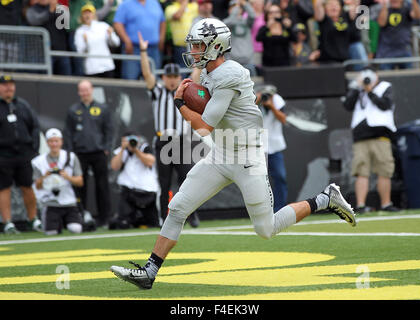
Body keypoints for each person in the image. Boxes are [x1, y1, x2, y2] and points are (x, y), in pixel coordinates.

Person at [110, 18, 356, 290]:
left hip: (248, 157)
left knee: (266, 229)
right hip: (221, 153)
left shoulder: (229, 74)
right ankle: (149, 271)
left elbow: (204, 127)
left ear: (216, 46)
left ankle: (324, 199)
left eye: (199, 45)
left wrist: (179, 103)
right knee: (178, 207)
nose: (193, 51)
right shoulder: (209, 73)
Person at [138, 32, 200, 228]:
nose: (172, 80)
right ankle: (165, 219)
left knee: (187, 181)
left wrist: (198, 53)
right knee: (164, 184)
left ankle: (192, 215)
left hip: (181, 141)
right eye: (169, 77)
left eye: (175, 77)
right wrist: (143, 51)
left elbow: (196, 72)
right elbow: (147, 74)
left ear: (178, 77)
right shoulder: (157, 91)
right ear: (163, 77)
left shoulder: (185, 90)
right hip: (164, 141)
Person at [343, 67, 399, 213]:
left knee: (384, 170)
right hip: (361, 137)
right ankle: (361, 205)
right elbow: (347, 105)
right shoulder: (357, 89)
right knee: (361, 171)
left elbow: (385, 105)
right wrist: (357, 87)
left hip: (381, 136)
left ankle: (386, 204)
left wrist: (370, 90)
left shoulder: (385, 87)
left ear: (377, 75)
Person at [63, 80, 113, 227]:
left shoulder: (102, 108)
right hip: (80, 153)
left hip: (98, 152)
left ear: (91, 90)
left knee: (102, 186)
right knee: (80, 186)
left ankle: (105, 219)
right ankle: (81, 216)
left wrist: (106, 148)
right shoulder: (73, 110)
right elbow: (68, 133)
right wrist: (71, 152)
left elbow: (109, 130)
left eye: (87, 90)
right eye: (82, 90)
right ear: (79, 92)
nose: (84, 93)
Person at [0, 75, 42, 234]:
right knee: (4, 188)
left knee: (27, 186)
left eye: (11, 84)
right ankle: (8, 222)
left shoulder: (23, 105)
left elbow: (35, 127)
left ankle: (33, 220)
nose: (8, 88)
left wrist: (34, 149)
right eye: (4, 85)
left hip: (24, 153)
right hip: (3, 154)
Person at [32, 128, 84, 235]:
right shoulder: (39, 162)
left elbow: (80, 182)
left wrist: (67, 177)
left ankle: (65, 221)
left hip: (69, 201)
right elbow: (37, 186)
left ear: (61, 141)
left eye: (56, 141)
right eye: (51, 141)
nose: (54, 144)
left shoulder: (71, 157)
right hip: (51, 202)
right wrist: (45, 177)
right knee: (51, 233)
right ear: (47, 143)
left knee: (76, 229)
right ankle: (56, 223)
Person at [110, 133, 160, 229]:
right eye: (126, 141)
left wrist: (136, 150)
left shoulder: (145, 148)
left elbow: (150, 161)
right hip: (129, 192)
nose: (130, 143)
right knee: (122, 224)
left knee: (153, 223)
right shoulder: (123, 152)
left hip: (147, 193)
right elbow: (114, 166)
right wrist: (123, 149)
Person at [255, 84, 288, 212]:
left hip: (274, 145)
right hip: (257, 145)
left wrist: (271, 106)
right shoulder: (253, 99)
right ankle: (260, 210)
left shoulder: (277, 100)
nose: (266, 97)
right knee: (258, 179)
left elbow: (283, 119)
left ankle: (279, 208)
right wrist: (257, 101)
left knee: (280, 176)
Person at [113, 0, 166, 78]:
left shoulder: (154, 2)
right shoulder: (126, 4)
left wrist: (161, 38)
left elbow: (162, 22)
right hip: (134, 49)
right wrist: (126, 40)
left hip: (153, 48)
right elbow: (118, 24)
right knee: (130, 78)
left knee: (154, 78)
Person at [25, 0, 72, 75]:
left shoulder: (59, 8)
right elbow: (34, 20)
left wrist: (58, 7)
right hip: (43, 53)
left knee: (66, 80)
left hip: (61, 51)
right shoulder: (33, 9)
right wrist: (50, 11)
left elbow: (68, 24)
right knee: (47, 80)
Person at [74, 3, 120, 78]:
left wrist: (111, 35)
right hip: (91, 69)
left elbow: (116, 43)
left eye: (89, 13)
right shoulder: (79, 31)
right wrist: (86, 42)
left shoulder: (103, 26)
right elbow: (80, 52)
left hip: (107, 66)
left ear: (94, 15)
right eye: (85, 13)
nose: (87, 15)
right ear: (82, 16)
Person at [313, 0, 366, 64]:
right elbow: (318, 4)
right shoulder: (323, 20)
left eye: (336, 5)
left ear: (340, 8)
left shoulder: (346, 17)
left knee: (357, 46)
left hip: (345, 60)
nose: (333, 7)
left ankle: (365, 69)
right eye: (330, 5)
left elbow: (356, 3)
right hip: (327, 60)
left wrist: (347, 2)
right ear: (325, 8)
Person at [376, 0, 420, 70]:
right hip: (387, 51)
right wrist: (385, 5)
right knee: (386, 79)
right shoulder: (384, 9)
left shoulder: (407, 9)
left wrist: (414, 1)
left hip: (404, 49)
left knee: (409, 77)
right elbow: (381, 23)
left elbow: (418, 16)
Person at [223, 0, 256, 75]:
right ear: (229, 10)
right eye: (233, 7)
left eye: (239, 7)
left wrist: (245, 4)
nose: (236, 9)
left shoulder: (247, 22)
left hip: (248, 62)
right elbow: (231, 21)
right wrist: (237, 6)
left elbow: (252, 15)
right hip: (232, 62)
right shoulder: (225, 23)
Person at [165, 0, 199, 67]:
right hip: (180, 47)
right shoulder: (170, 8)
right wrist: (185, 2)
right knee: (182, 71)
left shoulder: (194, 6)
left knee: (196, 69)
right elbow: (177, 16)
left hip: (195, 46)